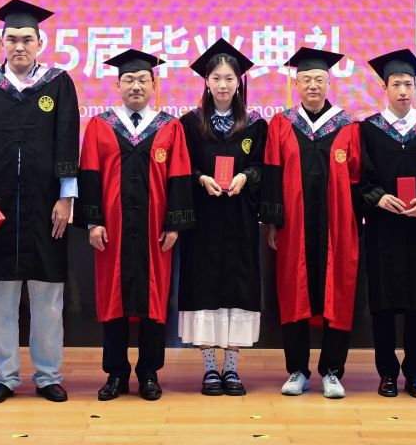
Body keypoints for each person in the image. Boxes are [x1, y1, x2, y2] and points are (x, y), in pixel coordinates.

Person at [0, 0, 80, 405]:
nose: (19, 46)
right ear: (1, 42)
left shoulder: (58, 83)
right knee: (1, 297)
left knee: (48, 297)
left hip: (45, 203)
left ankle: (48, 376)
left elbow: (67, 138)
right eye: (12, 39)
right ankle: (5, 376)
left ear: (40, 43)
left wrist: (66, 196)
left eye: (27, 39)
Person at [77, 49, 194, 401]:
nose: (136, 86)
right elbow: (90, 175)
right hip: (111, 230)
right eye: (129, 80)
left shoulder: (169, 126)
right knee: (112, 298)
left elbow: (179, 176)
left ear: (154, 85)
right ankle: (115, 373)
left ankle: (149, 373)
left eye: (143, 80)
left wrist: (174, 224)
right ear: (118, 85)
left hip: (155, 230)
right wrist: (93, 221)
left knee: (154, 300)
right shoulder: (100, 125)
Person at [260, 46, 362, 398]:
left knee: (339, 291)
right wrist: (272, 221)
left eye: (319, 79)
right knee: (294, 291)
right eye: (306, 79)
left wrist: (354, 223)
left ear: (329, 82)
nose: (313, 85)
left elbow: (357, 177)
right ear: (296, 84)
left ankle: (332, 370)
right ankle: (298, 370)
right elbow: (272, 173)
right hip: (293, 225)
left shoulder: (348, 126)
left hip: (338, 226)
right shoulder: (282, 124)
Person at [173, 39, 264, 397]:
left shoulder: (255, 125)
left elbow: (262, 166)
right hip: (204, 218)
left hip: (240, 218)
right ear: (206, 82)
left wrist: (245, 177)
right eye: (216, 78)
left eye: (229, 78)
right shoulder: (189, 124)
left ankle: (233, 368)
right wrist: (200, 179)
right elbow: (183, 166)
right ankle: (210, 367)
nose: (223, 85)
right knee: (204, 286)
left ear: (239, 82)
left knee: (238, 287)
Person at [356, 48, 416, 399]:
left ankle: (415, 373)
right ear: (384, 88)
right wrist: (378, 197)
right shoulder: (368, 129)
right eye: (396, 84)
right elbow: (360, 178)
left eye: (408, 84)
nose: (403, 91)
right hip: (383, 228)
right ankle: (387, 373)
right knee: (384, 304)